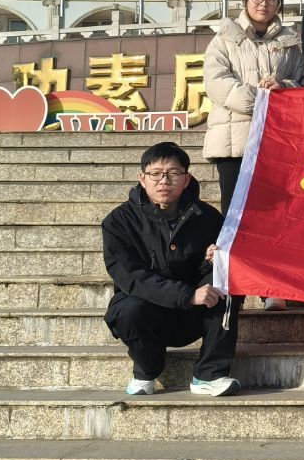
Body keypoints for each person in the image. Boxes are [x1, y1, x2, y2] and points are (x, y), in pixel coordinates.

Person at [102, 142, 240, 397]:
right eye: (156, 173)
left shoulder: (208, 218)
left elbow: (210, 269)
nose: (164, 181)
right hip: (147, 313)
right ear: (142, 178)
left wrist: (211, 261)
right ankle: (146, 370)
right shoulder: (118, 222)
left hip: (192, 316)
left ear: (186, 179)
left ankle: (209, 374)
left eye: (174, 173)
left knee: (227, 280)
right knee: (128, 308)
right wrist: (186, 295)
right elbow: (131, 277)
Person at [201, 0, 303, 214]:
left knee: (274, 213)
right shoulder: (225, 38)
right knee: (235, 213)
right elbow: (217, 83)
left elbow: (301, 82)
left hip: (275, 141)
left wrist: (282, 86)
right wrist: (261, 100)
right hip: (234, 142)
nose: (263, 3)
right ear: (246, 0)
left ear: (278, 5)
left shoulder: (289, 43)